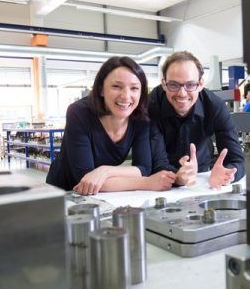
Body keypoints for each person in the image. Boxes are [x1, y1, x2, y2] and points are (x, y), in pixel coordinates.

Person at [46, 56, 177, 195]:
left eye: (134, 88)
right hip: (62, 192)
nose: (126, 96)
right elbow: (85, 177)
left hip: (99, 195)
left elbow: (143, 167)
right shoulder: (79, 112)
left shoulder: (140, 117)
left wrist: (105, 171)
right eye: (116, 86)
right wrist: (148, 182)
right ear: (101, 89)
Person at [149, 51, 245, 189]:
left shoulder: (215, 106)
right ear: (164, 84)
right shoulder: (152, 104)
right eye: (174, 85)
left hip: (202, 176)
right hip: (161, 178)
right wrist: (178, 177)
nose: (182, 93)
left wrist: (228, 174)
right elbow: (155, 162)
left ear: (200, 84)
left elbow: (237, 159)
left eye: (190, 85)